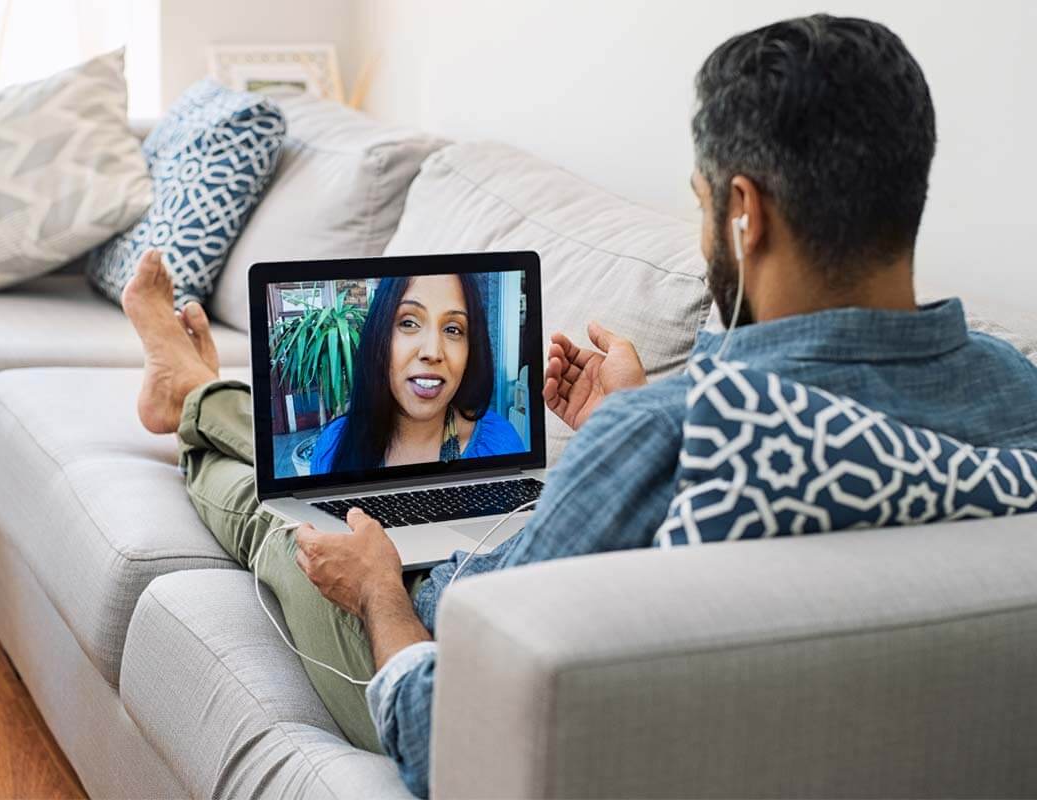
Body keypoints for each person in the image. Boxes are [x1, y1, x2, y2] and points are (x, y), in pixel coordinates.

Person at [122, 15, 1037, 798]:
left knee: (273, 522)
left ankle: (194, 389)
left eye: (702, 204)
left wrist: (375, 591)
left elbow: (453, 734)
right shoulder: (1017, 396)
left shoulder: (681, 434)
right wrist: (618, 427)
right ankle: (200, 391)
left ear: (744, 213)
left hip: (434, 637)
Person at [308, 274, 525, 474]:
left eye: (452, 329)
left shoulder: (500, 444)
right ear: (379, 336)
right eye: (408, 323)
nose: (431, 352)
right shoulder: (334, 447)